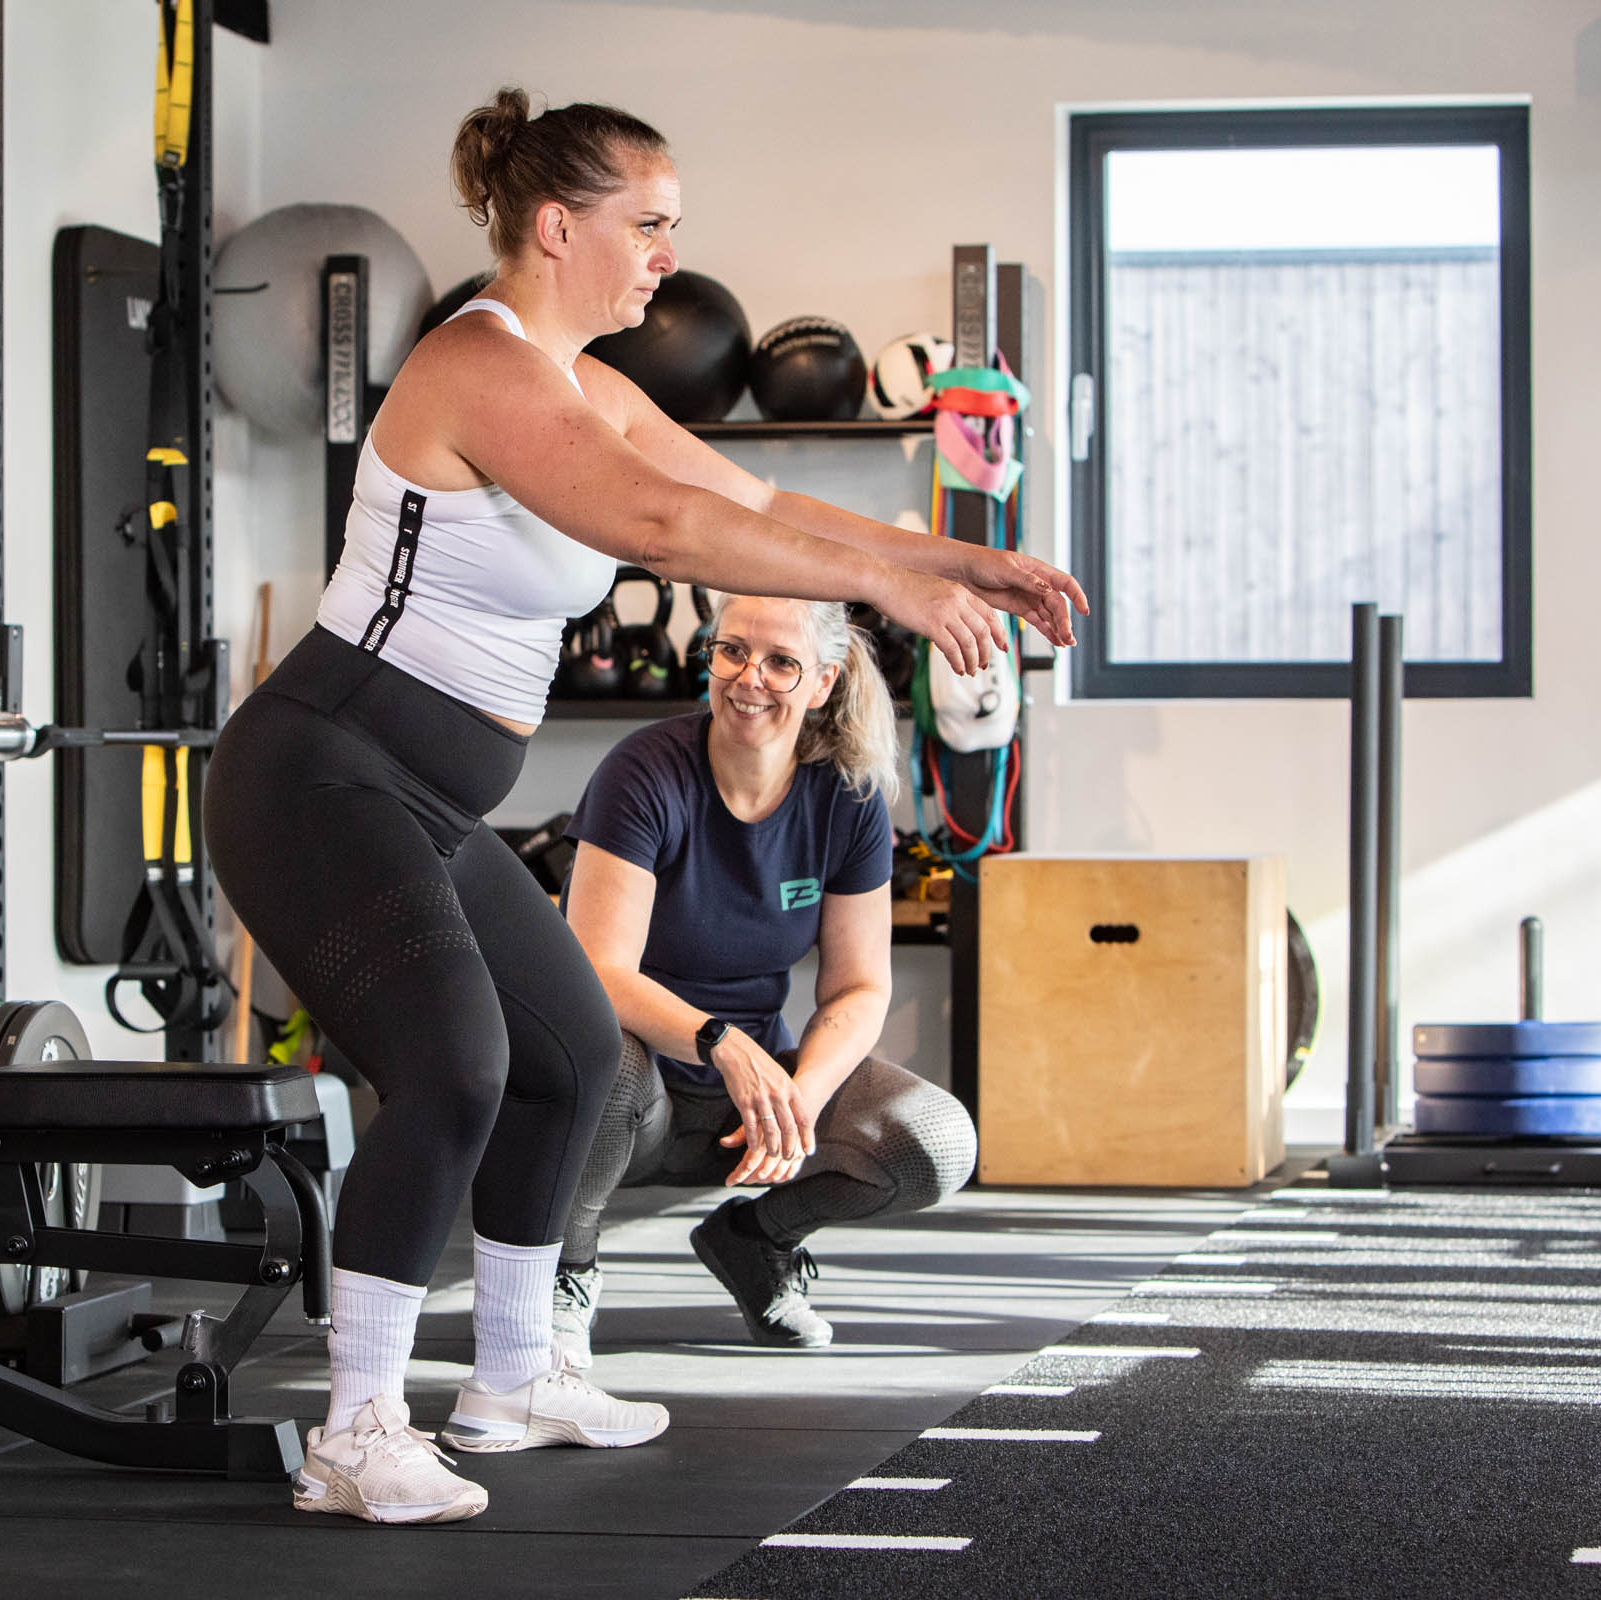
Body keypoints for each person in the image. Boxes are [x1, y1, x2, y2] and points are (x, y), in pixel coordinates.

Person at [201, 86, 1084, 1526]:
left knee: (567, 1055)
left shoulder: (581, 384)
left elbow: (756, 502)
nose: (669, 259)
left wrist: (957, 563)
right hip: (320, 773)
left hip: (420, 799)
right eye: (651, 227)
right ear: (559, 228)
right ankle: (355, 1425)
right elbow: (662, 529)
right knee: (458, 1072)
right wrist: (887, 592)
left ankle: (510, 1375)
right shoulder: (477, 367)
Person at [554, 594, 977, 1362]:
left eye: (782, 662)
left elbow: (858, 988)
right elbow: (597, 968)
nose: (750, 678)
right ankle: (565, 1274)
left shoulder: (847, 800)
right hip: (635, 1093)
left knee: (936, 1143)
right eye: (733, 651)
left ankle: (756, 1241)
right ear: (709, 654)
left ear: (822, 682)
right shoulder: (644, 772)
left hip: (748, 1106)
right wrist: (721, 1042)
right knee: (602, 1058)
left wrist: (801, 1096)